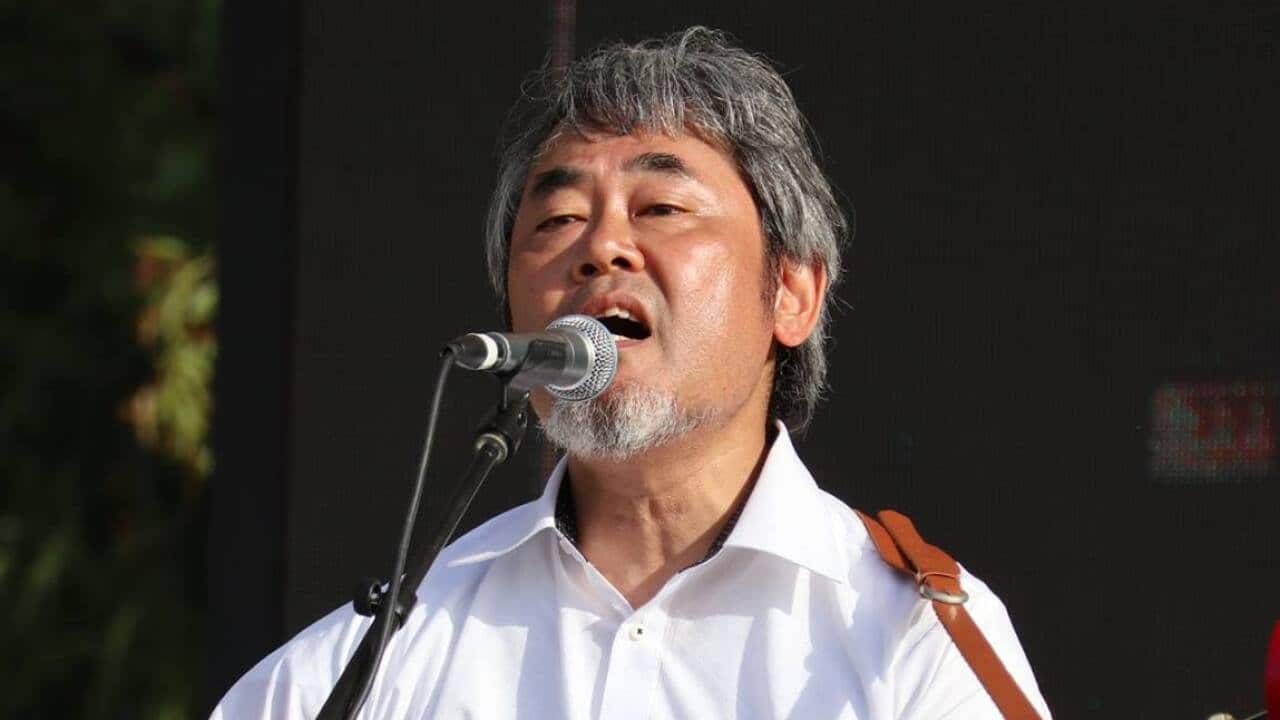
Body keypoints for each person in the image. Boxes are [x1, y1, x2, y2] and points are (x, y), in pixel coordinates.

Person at [212, 27, 1051, 719]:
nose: (599, 248)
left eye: (662, 210)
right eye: (558, 219)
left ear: (791, 293)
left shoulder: (913, 634)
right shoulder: (376, 660)